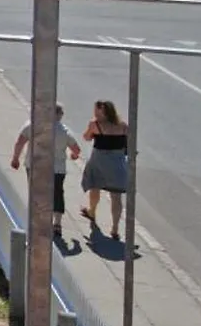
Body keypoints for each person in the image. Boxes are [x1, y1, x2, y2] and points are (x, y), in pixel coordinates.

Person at [10, 103, 82, 236]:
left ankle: (37, 220)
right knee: (57, 194)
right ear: (59, 115)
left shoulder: (32, 125)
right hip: (57, 169)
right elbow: (76, 149)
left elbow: (20, 142)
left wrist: (15, 158)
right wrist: (74, 155)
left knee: (36, 192)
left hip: (35, 165)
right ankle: (57, 224)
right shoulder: (64, 131)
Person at [80, 100, 130, 240]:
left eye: (97, 111)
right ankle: (115, 228)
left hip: (99, 161)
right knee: (116, 196)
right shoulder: (123, 126)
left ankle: (92, 211)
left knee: (95, 187)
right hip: (117, 162)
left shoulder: (95, 124)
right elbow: (129, 142)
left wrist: (93, 128)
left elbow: (86, 137)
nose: (95, 113)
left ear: (104, 112)